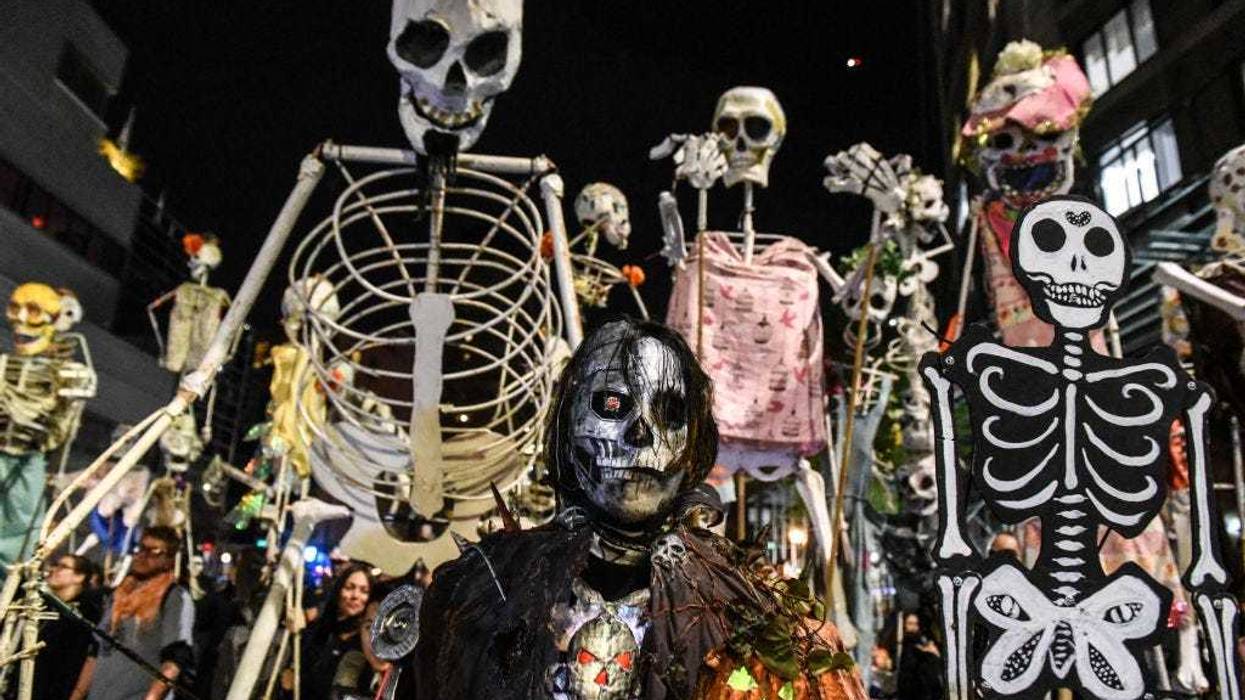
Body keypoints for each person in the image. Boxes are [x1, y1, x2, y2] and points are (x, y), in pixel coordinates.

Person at [73, 527, 195, 700]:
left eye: (154, 552)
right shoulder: (119, 595)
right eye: (141, 549)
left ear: (168, 560)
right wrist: (77, 695)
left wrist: (152, 697)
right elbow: (96, 652)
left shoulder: (175, 597)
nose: (143, 556)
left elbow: (175, 659)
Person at [284, 563, 375, 700]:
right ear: (338, 590)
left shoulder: (369, 640)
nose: (355, 595)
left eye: (364, 591)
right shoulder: (320, 630)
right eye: (349, 588)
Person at [32, 554, 102, 700]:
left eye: (63, 567)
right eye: (54, 564)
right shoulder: (41, 607)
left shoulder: (87, 616)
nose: (53, 570)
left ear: (80, 577)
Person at [895, 613, 943, 700]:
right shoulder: (907, 644)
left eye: (915, 624)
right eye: (910, 623)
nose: (913, 627)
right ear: (905, 625)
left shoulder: (922, 641)